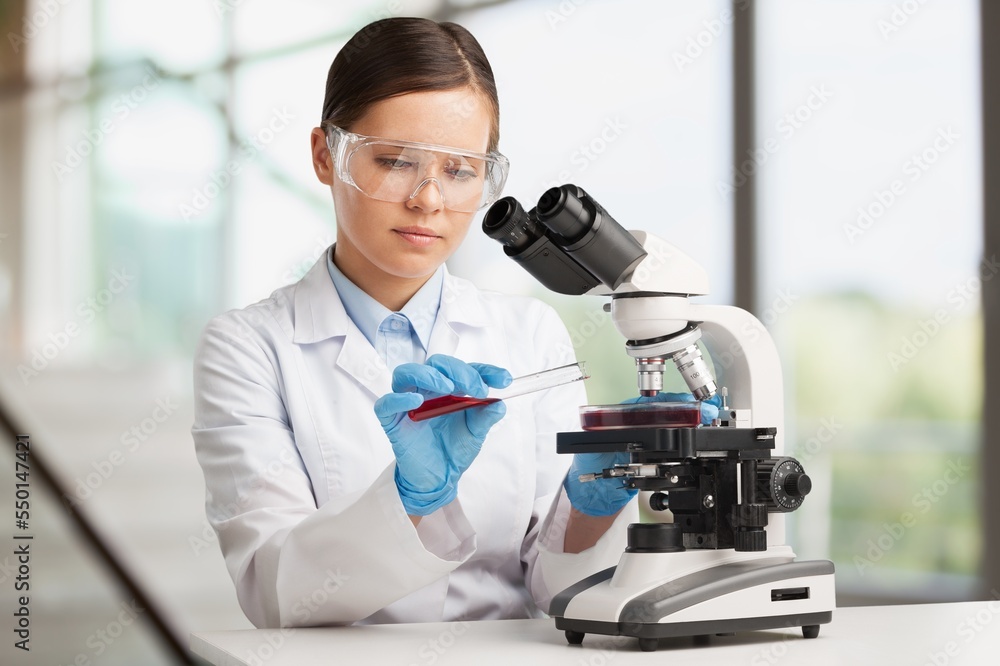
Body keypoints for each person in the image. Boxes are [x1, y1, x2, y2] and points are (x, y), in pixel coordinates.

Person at [192, 16, 711, 629]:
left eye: (461, 171)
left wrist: (589, 498)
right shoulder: (249, 348)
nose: (429, 200)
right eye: (395, 161)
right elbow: (274, 591)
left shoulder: (530, 334)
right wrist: (409, 501)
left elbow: (558, 588)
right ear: (324, 156)